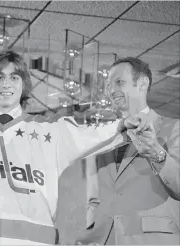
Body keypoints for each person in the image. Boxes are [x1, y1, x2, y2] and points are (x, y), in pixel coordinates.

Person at [0, 50, 149, 245]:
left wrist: (121, 124)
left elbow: (89, 134)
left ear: (23, 85)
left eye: (14, 77)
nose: (6, 84)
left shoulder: (49, 129)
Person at [77, 57, 180, 245]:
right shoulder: (102, 138)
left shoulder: (175, 128)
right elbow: (93, 198)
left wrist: (157, 154)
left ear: (142, 83)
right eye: (108, 85)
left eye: (119, 82)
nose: (111, 90)